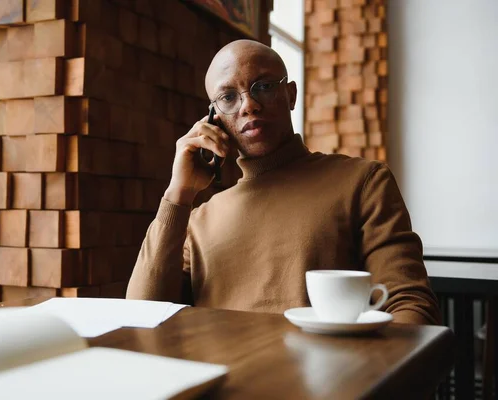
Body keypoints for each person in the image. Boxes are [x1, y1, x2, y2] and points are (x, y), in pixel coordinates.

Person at [126, 39, 440, 325]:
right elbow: (142, 317)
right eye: (228, 97)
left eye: (262, 86)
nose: (248, 105)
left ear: (290, 94)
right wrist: (178, 195)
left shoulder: (362, 181)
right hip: (223, 382)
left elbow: (409, 304)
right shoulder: (199, 220)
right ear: (214, 118)